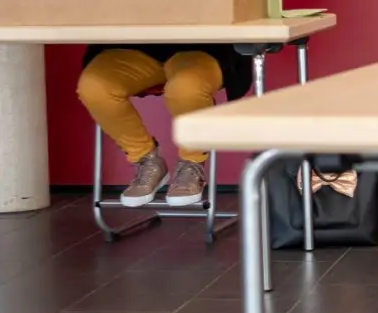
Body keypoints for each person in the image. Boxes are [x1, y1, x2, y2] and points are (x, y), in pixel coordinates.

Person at [76, 44, 253, 208]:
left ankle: (192, 163)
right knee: (94, 87)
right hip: (129, 46)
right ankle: (147, 160)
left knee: (185, 88)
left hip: (203, 48)